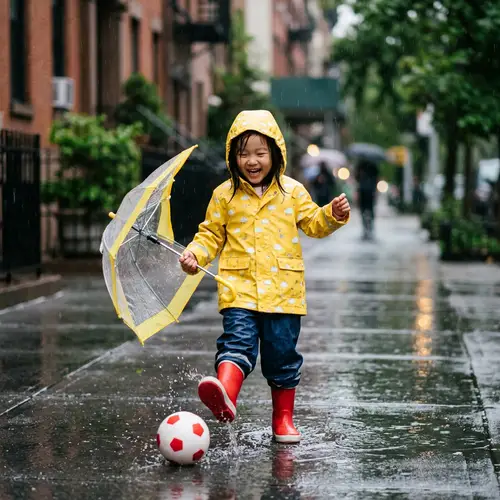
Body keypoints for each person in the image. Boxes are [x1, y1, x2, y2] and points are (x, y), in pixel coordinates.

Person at [179, 110, 350, 443]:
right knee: (237, 343)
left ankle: (283, 419)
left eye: (260, 153)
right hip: (238, 289)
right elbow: (210, 235)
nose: (252, 161)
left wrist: (332, 214)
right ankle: (225, 392)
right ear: (233, 156)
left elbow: (314, 224)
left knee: (281, 356)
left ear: (275, 153)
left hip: (284, 293)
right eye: (243, 153)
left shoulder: (292, 192)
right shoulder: (224, 195)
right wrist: (195, 254)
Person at [355, 158, 379, 240]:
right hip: (369, 191)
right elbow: (376, 178)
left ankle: (366, 228)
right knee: (370, 209)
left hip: (364, 191)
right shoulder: (373, 165)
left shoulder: (361, 165)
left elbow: (356, 178)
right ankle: (369, 227)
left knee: (364, 210)